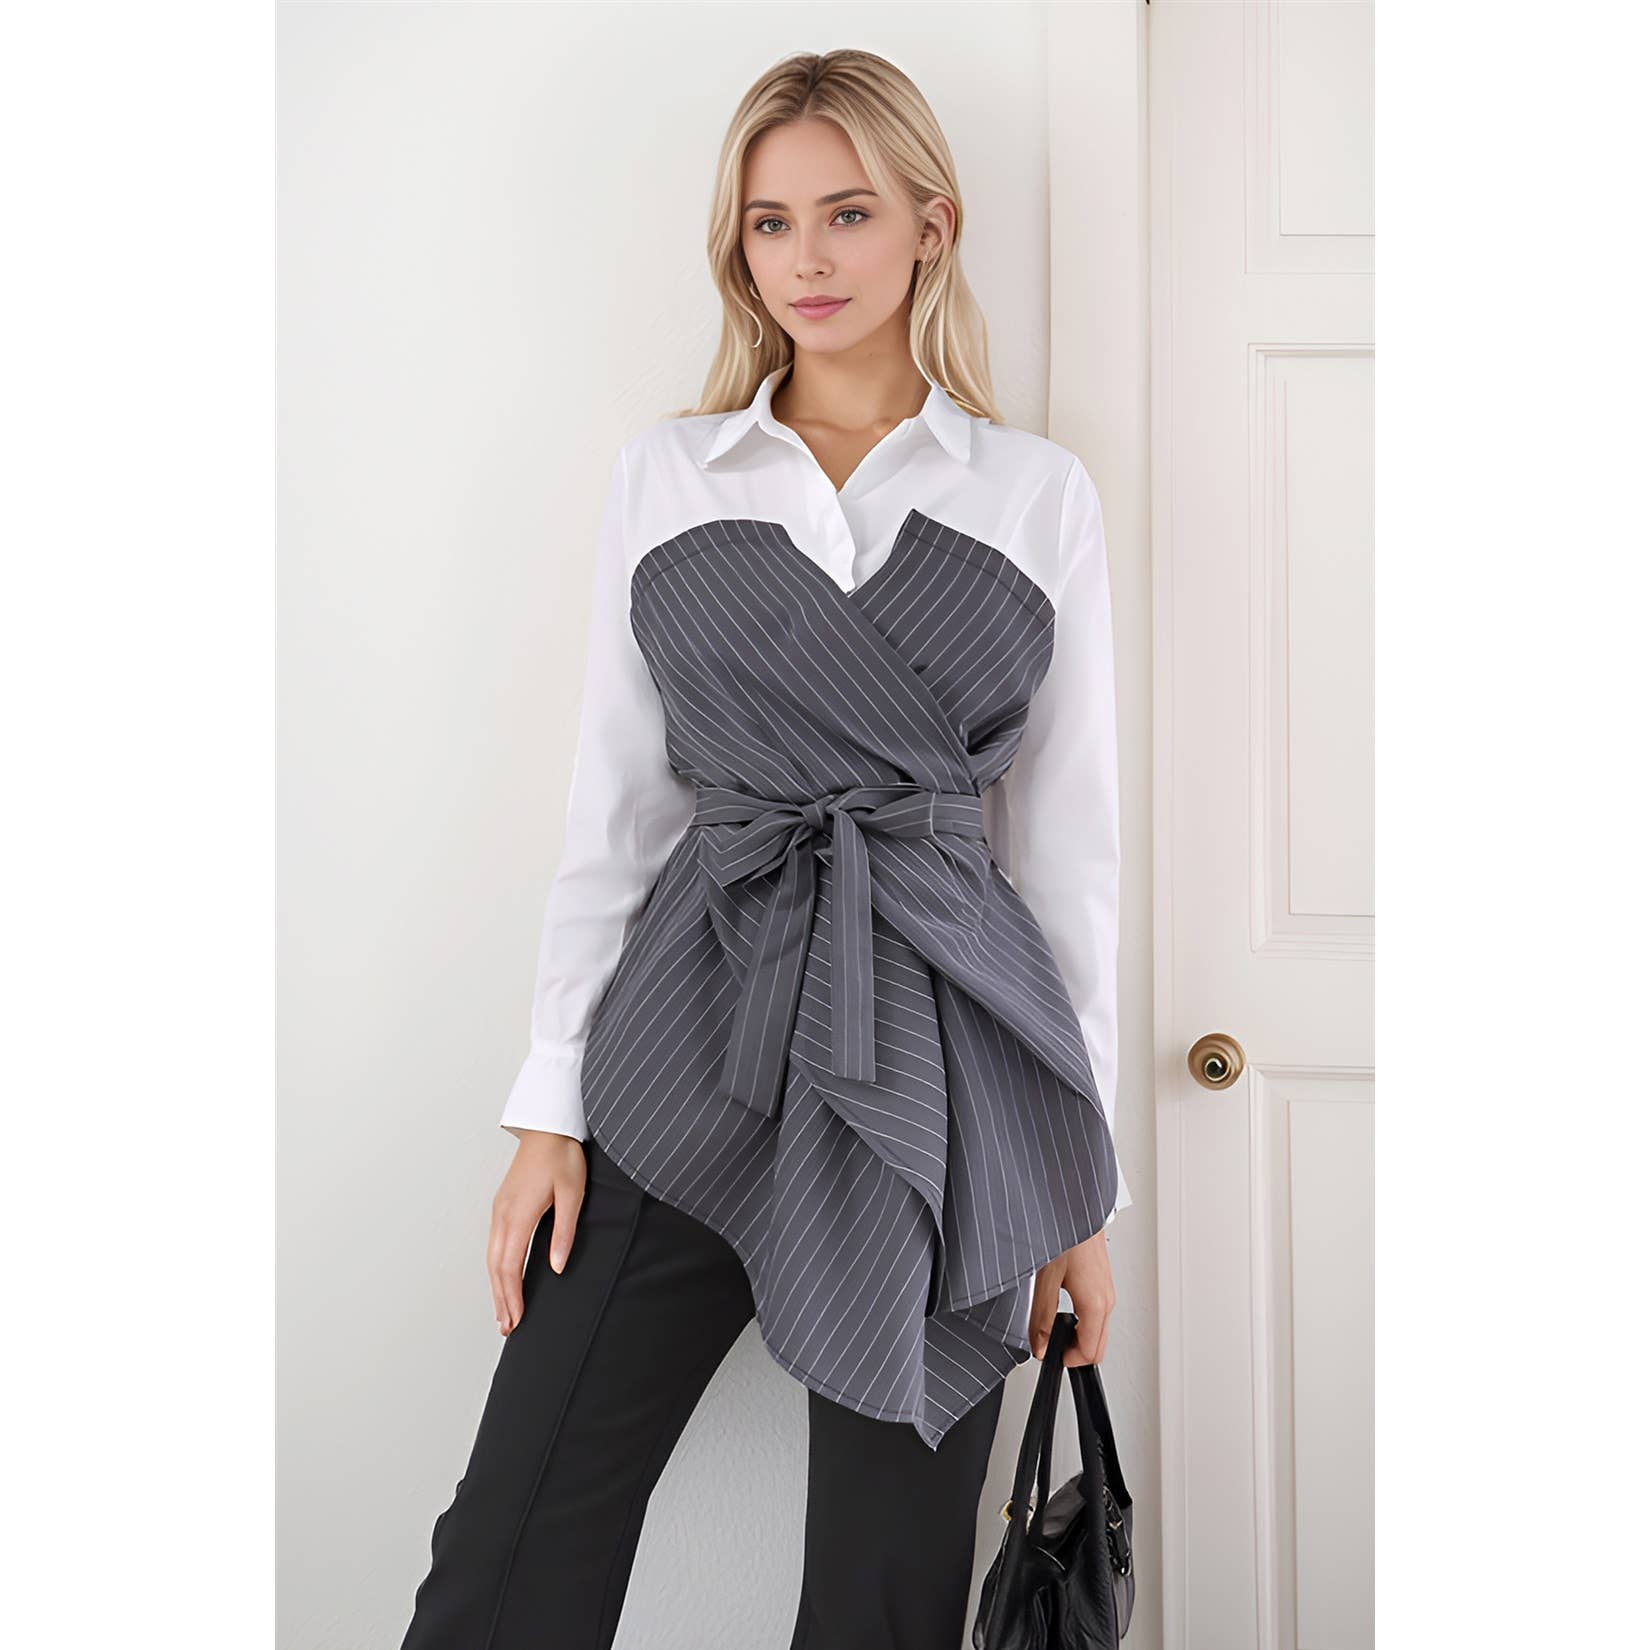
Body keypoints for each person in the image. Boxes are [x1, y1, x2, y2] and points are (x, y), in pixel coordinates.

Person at [399, 46, 1132, 1650]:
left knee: (885, 1590)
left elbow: (1066, 855)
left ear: (931, 225)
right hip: (690, 1031)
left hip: (942, 1073)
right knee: (513, 1538)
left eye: (848, 213)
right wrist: (548, 1106)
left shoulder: (1034, 493)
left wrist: (1079, 1187)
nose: (807, 258)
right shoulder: (669, 473)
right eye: (769, 222)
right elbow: (616, 808)